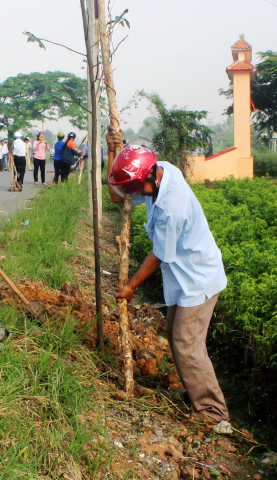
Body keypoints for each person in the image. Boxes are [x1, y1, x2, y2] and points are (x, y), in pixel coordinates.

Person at [105, 126, 230, 427]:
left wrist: (131, 285)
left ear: (149, 178)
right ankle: (195, 394)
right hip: (185, 276)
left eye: (136, 190)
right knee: (177, 338)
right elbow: (115, 195)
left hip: (198, 279)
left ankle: (214, 414)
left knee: (187, 344)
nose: (133, 196)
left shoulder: (172, 206)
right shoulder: (159, 172)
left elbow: (159, 254)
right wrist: (113, 152)